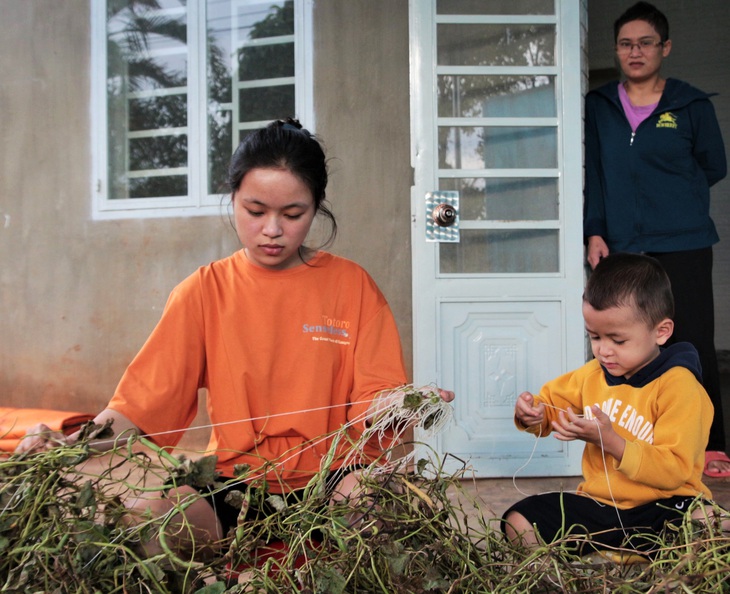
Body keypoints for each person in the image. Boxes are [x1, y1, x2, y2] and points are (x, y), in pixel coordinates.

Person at [16, 118, 455, 558]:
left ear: (316, 206)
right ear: (233, 200)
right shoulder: (204, 291)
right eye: (256, 210)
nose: (272, 230)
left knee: (382, 505)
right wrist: (70, 443)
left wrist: (404, 404)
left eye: (293, 214)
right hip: (235, 482)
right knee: (147, 517)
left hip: (336, 475)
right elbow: (140, 406)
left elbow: (374, 398)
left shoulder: (352, 286)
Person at [583, 2, 729, 477]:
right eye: (626, 44)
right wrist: (596, 230)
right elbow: (597, 175)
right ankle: (637, 442)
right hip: (624, 243)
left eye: (646, 42)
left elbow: (714, 165)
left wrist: (674, 204)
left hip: (683, 240)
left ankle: (710, 446)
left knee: (691, 341)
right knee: (627, 345)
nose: (636, 51)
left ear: (664, 47)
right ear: (617, 51)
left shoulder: (689, 104)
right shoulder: (599, 106)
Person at [502, 253, 726, 552]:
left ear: (661, 332)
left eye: (618, 341)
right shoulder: (593, 374)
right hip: (602, 508)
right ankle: (562, 576)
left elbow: (676, 470)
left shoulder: (680, 387)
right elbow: (553, 405)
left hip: (666, 508)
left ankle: (632, 558)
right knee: (518, 520)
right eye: (594, 337)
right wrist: (533, 413)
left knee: (712, 523)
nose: (603, 351)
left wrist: (612, 442)